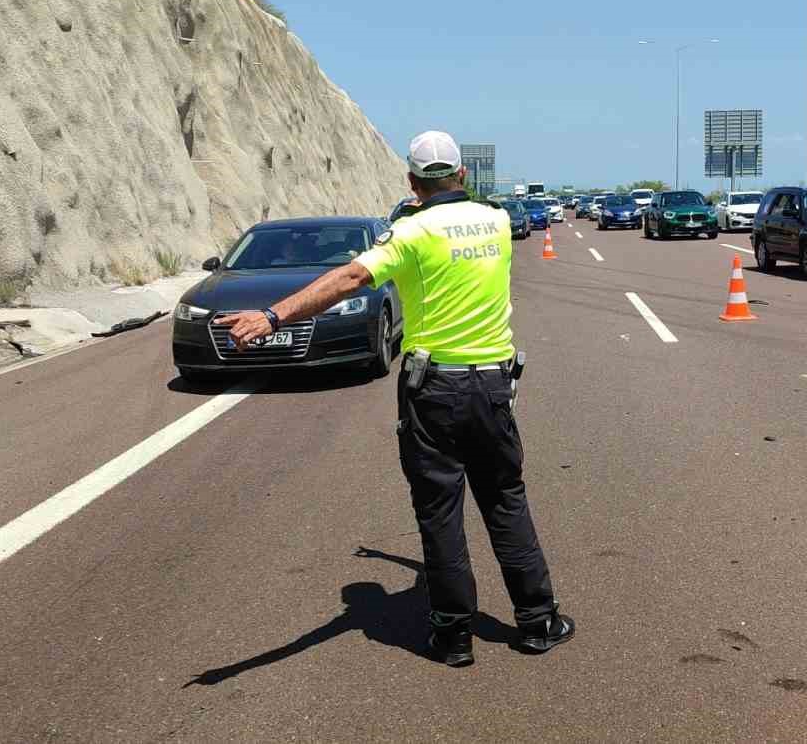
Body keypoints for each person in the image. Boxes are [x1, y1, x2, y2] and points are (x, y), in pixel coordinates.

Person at [218, 130, 574, 668]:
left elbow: (350, 276)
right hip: (494, 385)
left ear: (412, 182)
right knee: (505, 500)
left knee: (440, 512)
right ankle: (538, 620)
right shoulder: (498, 223)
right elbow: (466, 215)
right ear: (463, 176)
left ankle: (454, 637)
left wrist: (270, 316)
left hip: (435, 390)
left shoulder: (411, 233)